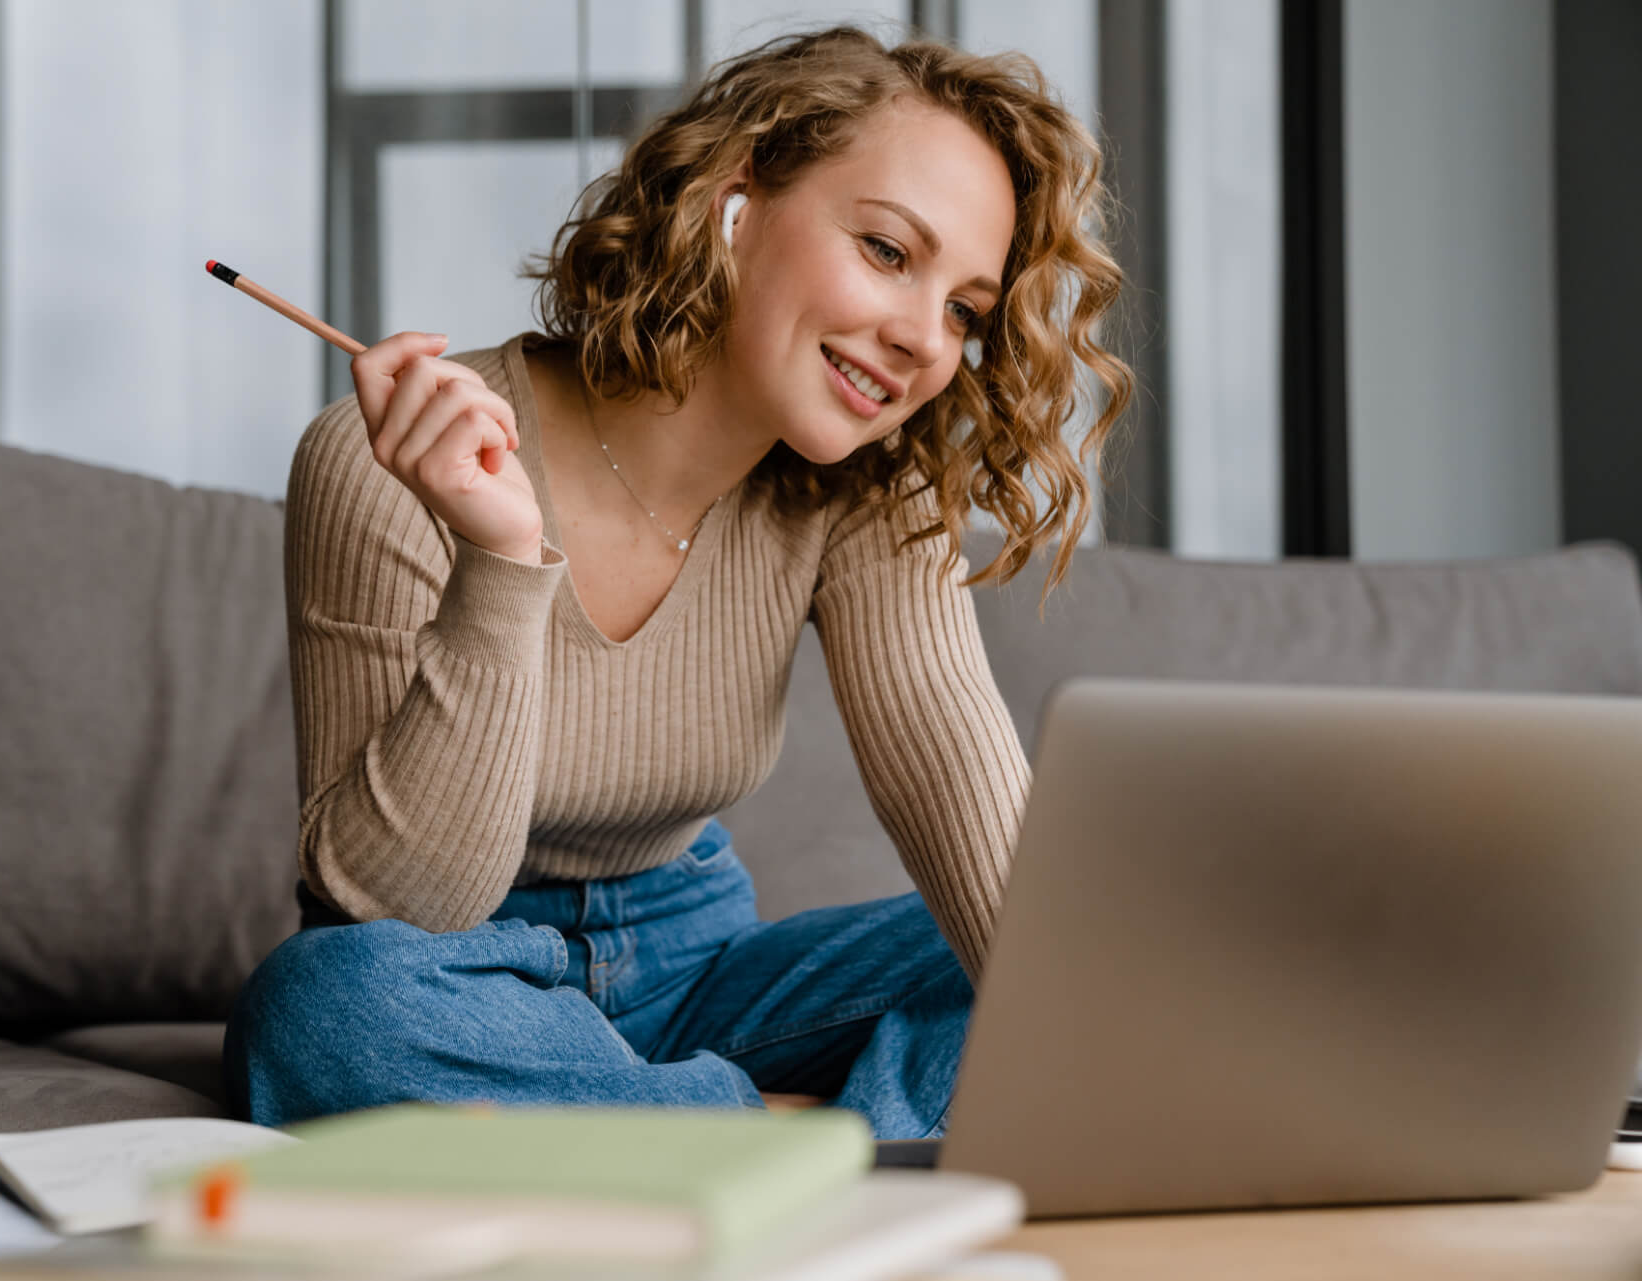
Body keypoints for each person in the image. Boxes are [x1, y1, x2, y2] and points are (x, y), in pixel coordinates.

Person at [225, 24, 1132, 1140]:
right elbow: (396, 908)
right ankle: (842, 1143)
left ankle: (721, 1140)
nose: (921, 342)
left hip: (700, 966)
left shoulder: (875, 489)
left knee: (1101, 942)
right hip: (463, 975)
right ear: (733, 204)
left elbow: (964, 802)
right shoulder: (382, 459)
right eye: (890, 253)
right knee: (323, 1015)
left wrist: (1118, 1025)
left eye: (965, 312)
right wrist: (502, 565)